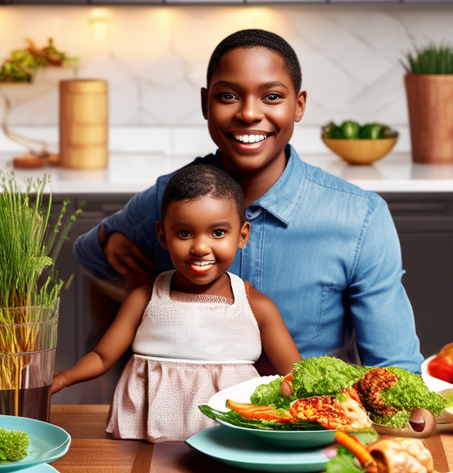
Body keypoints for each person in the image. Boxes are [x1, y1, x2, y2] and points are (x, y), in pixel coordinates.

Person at [75, 29, 424, 373]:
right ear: (205, 104)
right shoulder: (166, 197)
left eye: (271, 97)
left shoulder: (359, 217)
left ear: (298, 106)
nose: (248, 114)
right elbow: (87, 254)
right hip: (184, 422)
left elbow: (394, 367)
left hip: (304, 422)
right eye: (228, 96)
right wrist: (112, 239)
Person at [52, 165, 302, 443]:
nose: (200, 247)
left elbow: (295, 374)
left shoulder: (257, 306)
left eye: (218, 233)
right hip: (145, 438)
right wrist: (64, 378)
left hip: (228, 441)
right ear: (162, 236)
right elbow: (102, 357)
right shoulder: (144, 298)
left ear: (242, 235)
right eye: (184, 233)